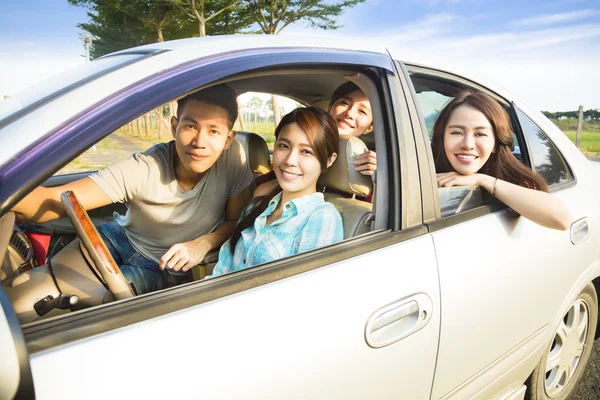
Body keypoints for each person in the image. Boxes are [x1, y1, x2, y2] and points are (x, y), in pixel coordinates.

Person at [12, 84, 254, 294]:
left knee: (95, 305)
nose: (200, 142)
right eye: (190, 126)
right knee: (44, 282)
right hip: (118, 237)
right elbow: (56, 201)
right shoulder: (145, 166)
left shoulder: (233, 159)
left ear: (228, 139)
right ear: (174, 126)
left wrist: (203, 243)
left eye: (214, 131)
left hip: (162, 264)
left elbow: (236, 220)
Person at [208, 107, 343, 277]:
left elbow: (307, 290)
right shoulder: (256, 206)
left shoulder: (322, 216)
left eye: (306, 151)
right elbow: (222, 270)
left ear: (329, 160)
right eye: (284, 146)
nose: (290, 160)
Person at [431, 90, 571, 230]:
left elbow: (562, 220)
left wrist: (482, 180)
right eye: (457, 132)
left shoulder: (509, 179)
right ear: (443, 137)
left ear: (495, 144)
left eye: (480, 134)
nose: (467, 144)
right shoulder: (421, 170)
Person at [254, 81, 376, 197]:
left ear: (370, 127)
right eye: (344, 103)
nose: (349, 113)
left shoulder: (371, 168)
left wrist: (379, 179)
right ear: (329, 107)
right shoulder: (267, 187)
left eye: (362, 111)